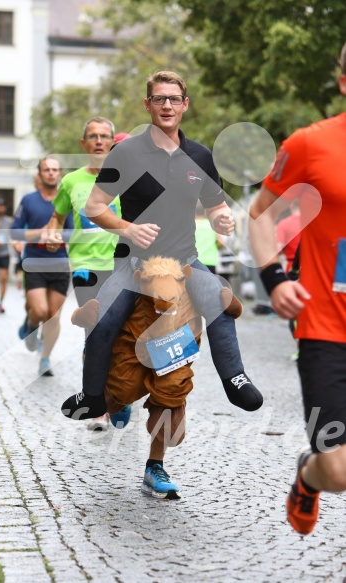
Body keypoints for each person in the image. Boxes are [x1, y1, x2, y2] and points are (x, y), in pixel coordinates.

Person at [61, 70, 264, 496]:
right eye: (159, 99)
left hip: (186, 263)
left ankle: (236, 380)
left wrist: (222, 218)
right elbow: (97, 206)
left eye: (174, 98)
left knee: (222, 305)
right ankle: (93, 398)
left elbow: (214, 208)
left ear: (185, 104)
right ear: (148, 105)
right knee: (102, 321)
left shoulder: (201, 157)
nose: (167, 105)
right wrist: (126, 228)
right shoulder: (128, 153)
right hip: (133, 264)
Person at [248, 43, 346, 535]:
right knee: (337, 470)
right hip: (326, 326)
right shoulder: (310, 143)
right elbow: (260, 214)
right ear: (344, 82)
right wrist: (274, 279)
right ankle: (309, 474)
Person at [47, 117, 121, 431]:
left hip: (120, 264)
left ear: (113, 142)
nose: (99, 141)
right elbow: (57, 216)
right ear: (83, 144)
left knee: (117, 334)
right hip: (84, 265)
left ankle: (118, 396)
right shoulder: (71, 182)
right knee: (94, 329)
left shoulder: (126, 180)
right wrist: (52, 233)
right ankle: (99, 404)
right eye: (93, 136)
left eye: (105, 136)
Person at [11, 157, 73, 377]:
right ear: (40, 173)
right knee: (39, 311)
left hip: (60, 264)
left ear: (59, 174)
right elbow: (15, 231)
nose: (51, 173)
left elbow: (73, 232)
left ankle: (45, 358)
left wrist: (57, 236)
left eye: (55, 169)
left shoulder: (67, 200)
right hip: (35, 263)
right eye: (47, 169)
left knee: (53, 317)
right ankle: (31, 323)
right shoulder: (28, 201)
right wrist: (40, 233)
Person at [276, 199, 301, 274]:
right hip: (311, 268)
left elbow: (278, 249)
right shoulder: (312, 222)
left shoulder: (284, 224)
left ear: (290, 205)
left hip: (293, 268)